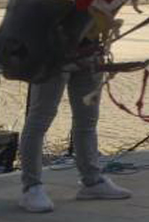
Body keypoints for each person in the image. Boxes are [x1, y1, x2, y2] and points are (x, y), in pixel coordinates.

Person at [19, 45, 131, 213]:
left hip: (90, 54)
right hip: (53, 55)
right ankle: (31, 187)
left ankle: (92, 181)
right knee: (39, 120)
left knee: (87, 121)